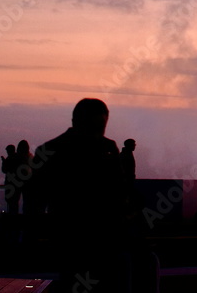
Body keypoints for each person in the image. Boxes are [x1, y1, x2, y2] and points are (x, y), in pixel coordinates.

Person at [31, 98, 145, 292]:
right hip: (97, 239)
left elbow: (37, 196)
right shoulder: (106, 149)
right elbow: (120, 191)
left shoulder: (49, 150)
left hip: (71, 238)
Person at [2, 144, 20, 214]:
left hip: (10, 185)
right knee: (14, 203)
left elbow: (4, 170)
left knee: (11, 202)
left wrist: (4, 162)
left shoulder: (9, 159)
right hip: (16, 185)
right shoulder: (17, 158)